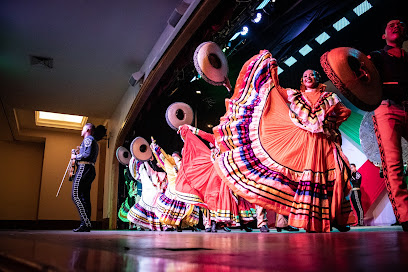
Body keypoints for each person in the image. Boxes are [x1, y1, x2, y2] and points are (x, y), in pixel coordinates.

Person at [212, 51, 355, 232]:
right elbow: (276, 90)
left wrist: (330, 124)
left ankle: (338, 219)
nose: (308, 77)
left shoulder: (329, 98)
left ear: (318, 79)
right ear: (301, 81)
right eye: (305, 76)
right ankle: (313, 221)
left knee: (337, 176)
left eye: (312, 74)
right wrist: (271, 70)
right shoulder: (296, 96)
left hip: (325, 142)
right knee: (311, 178)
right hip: (307, 144)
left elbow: (344, 112)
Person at [368, 19, 408, 232]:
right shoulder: (376, 56)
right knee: (393, 164)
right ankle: (406, 216)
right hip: (386, 109)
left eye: (400, 25)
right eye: (391, 25)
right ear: (384, 35)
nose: (396, 26)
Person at [71, 123, 100, 232]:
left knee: (75, 194)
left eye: (83, 128)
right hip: (89, 169)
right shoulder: (92, 141)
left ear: (87, 129)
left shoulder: (88, 139)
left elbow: (87, 155)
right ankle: (86, 223)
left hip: (84, 168)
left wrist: (75, 156)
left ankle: (85, 223)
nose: (81, 130)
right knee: (84, 197)